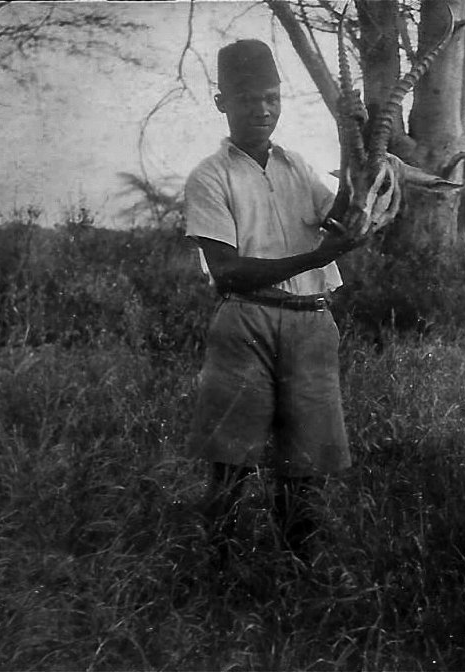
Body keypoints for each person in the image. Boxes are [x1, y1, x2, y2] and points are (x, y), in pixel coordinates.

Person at [184, 39, 365, 562]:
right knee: (231, 460)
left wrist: (354, 139)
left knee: (307, 463)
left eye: (271, 97)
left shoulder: (297, 166)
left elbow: (346, 215)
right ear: (223, 103)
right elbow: (229, 272)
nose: (262, 110)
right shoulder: (210, 176)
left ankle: (299, 573)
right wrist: (315, 258)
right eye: (247, 100)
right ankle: (215, 570)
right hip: (246, 325)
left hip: (312, 322)